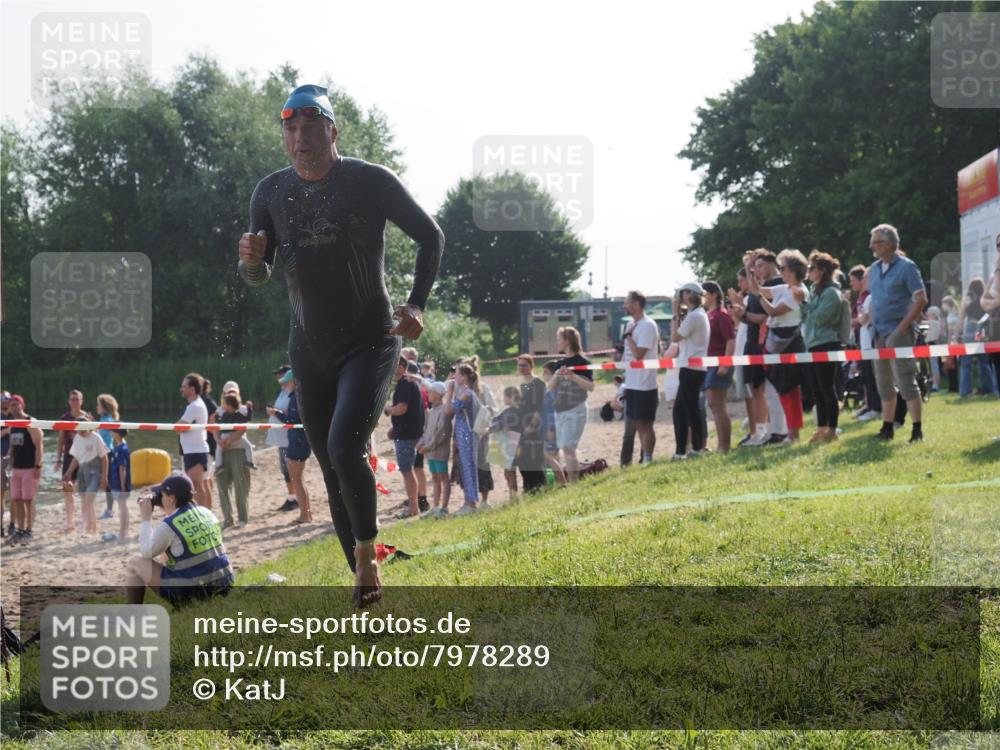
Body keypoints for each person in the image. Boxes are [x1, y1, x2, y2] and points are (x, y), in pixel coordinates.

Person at [238, 84, 443, 608]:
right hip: (308, 348)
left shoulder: (369, 181)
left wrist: (416, 305)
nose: (300, 136)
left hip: (371, 342)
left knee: (345, 448)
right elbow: (257, 278)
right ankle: (359, 569)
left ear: (333, 130)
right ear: (284, 136)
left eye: (311, 125)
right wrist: (251, 261)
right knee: (329, 467)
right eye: (290, 126)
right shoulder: (270, 192)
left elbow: (431, 236)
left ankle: (369, 556)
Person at [126, 474, 234, 606]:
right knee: (169, 553)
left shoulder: (169, 525)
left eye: (162, 495)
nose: (160, 498)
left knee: (135, 563)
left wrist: (145, 518)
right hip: (224, 584)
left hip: (195, 593)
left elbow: (146, 552)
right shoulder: (206, 512)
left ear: (172, 498)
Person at [867, 224, 928, 442]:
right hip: (879, 333)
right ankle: (887, 427)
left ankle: (916, 429)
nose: (871, 246)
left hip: (899, 332)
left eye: (876, 242)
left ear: (890, 244)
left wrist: (901, 329)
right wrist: (873, 324)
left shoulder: (907, 267)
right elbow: (874, 299)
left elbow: (921, 299)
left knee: (905, 379)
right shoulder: (873, 269)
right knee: (883, 382)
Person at [741, 251, 789, 446]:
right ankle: (768, 430)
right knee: (759, 388)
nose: (757, 270)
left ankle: (778, 431)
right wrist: (748, 267)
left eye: (760, 266)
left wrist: (743, 315)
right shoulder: (761, 287)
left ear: (772, 264)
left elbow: (768, 317)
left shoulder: (777, 285)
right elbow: (754, 289)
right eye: (755, 267)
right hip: (756, 343)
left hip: (770, 343)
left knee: (772, 389)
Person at [801, 251, 845, 443]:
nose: (808, 271)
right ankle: (821, 428)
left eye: (812, 268)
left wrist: (803, 303)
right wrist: (804, 305)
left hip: (827, 343)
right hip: (813, 343)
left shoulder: (832, 293)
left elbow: (821, 318)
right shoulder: (814, 290)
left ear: (822, 271)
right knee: (817, 390)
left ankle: (832, 430)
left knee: (828, 389)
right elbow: (807, 317)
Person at [547, 327, 594, 482]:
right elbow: (550, 387)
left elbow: (590, 387)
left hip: (576, 410)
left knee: (568, 447)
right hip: (559, 411)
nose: (557, 342)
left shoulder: (583, 362)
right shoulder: (560, 363)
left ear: (567, 340)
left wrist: (574, 378)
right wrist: (556, 374)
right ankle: (570, 482)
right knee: (564, 449)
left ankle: (574, 482)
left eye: (559, 339)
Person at [670, 282, 710, 458]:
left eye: (683, 293)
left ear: (690, 295)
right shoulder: (696, 314)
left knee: (690, 409)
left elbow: (675, 337)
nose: (680, 297)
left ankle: (696, 448)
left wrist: (674, 314)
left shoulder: (695, 316)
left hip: (692, 368)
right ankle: (683, 450)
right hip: (691, 366)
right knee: (681, 410)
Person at [621, 290, 660, 463]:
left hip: (645, 383)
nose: (625, 305)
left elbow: (639, 354)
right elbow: (628, 355)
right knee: (637, 422)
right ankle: (643, 457)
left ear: (637, 304)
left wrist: (628, 336)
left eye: (627, 302)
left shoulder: (647, 325)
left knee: (645, 423)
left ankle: (647, 458)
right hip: (631, 382)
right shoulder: (631, 324)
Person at [269, 373, 314, 525]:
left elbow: (293, 421)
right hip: (300, 440)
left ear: (293, 382)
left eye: (286, 382)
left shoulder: (296, 397)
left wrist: (276, 413)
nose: (284, 385)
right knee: (298, 480)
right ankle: (305, 514)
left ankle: (305, 515)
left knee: (297, 480)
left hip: (298, 441)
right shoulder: (299, 396)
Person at [385, 357, 425, 519]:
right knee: (412, 469)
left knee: (407, 470)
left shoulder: (404, 384)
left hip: (407, 435)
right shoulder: (409, 383)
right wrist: (395, 427)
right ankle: (415, 504)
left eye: (393, 366)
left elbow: (401, 409)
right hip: (410, 432)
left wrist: (387, 409)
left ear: (402, 367)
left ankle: (413, 507)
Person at [701, 281, 736, 453]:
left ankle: (724, 446)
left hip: (718, 363)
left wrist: (725, 363)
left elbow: (730, 340)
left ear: (714, 294)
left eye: (705, 293)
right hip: (708, 363)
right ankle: (722, 445)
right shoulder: (708, 315)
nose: (703, 297)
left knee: (717, 405)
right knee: (714, 405)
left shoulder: (721, 315)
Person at [4, 395, 42, 545]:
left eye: (16, 404)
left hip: (29, 467)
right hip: (16, 468)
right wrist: (8, 457)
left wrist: (38, 465)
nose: (14, 408)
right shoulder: (13, 424)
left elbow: (39, 446)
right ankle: (20, 530)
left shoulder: (30, 422)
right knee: (16, 499)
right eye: (11, 405)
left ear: (22, 405)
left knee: (28, 500)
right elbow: (13, 445)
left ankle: (29, 530)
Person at [64, 415, 109, 535]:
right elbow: (76, 458)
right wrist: (68, 472)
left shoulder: (96, 437)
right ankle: (91, 525)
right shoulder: (77, 438)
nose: (81, 432)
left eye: (83, 429)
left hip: (95, 470)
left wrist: (104, 476)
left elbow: (104, 458)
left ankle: (91, 526)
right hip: (83, 470)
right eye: (78, 430)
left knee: (89, 498)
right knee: (85, 499)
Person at [446, 364, 480, 515]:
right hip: (463, 433)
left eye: (458, 374)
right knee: (465, 466)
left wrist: (449, 392)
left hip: (467, 433)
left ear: (465, 377)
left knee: (468, 466)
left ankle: (471, 503)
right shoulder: (465, 392)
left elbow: (448, 410)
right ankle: (468, 500)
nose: (455, 377)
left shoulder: (467, 393)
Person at [727, 269, 756, 444]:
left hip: (747, 351)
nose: (739, 285)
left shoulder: (749, 299)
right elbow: (740, 325)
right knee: (746, 395)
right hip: (741, 350)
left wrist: (739, 305)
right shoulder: (745, 299)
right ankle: (752, 430)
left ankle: (756, 430)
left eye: (741, 280)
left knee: (752, 394)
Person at [215, 394, 252, 529]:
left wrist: (229, 440)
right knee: (222, 487)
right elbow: (213, 426)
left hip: (238, 451)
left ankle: (243, 518)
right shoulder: (219, 411)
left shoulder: (241, 411)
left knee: (241, 487)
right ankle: (227, 519)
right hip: (223, 451)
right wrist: (219, 441)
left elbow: (244, 427)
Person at [416, 381, 452, 518]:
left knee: (443, 477)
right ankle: (436, 507)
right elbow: (427, 432)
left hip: (439, 451)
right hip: (431, 452)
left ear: (437, 395)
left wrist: (427, 447)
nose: (428, 395)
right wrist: (421, 443)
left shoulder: (443, 411)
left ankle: (444, 508)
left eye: (430, 392)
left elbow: (441, 434)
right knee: (435, 477)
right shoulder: (432, 412)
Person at [177, 373, 212, 507]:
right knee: (196, 485)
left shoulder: (195, 406)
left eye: (184, 386)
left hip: (196, 451)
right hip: (191, 450)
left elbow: (178, 427)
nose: (182, 389)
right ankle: (202, 513)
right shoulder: (194, 405)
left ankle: (202, 515)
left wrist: (180, 427)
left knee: (196, 485)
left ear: (192, 389)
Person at [267, 365, 299, 512]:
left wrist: (275, 413)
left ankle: (294, 498)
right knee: (285, 471)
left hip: (288, 438)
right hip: (281, 438)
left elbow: (289, 416)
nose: (278, 377)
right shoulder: (284, 392)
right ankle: (291, 496)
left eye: (281, 375)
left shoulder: (291, 394)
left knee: (290, 470)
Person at [958, 278, 996, 398]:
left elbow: (962, 315)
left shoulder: (968, 297)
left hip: (970, 328)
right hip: (983, 329)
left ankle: (966, 392)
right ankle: (988, 390)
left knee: (966, 363)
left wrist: (958, 333)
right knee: (984, 362)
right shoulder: (985, 298)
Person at [55, 389, 86, 532]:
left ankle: (85, 519)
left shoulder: (86, 418)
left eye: (77, 399)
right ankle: (70, 521)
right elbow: (61, 440)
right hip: (68, 456)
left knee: (84, 491)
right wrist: (58, 459)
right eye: (72, 399)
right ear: (68, 401)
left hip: (84, 458)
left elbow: (93, 439)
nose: (74, 402)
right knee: (67, 488)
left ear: (81, 401)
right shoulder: (65, 418)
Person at [515, 355, 548, 492]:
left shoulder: (538, 384)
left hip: (534, 426)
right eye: (520, 365)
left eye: (524, 365)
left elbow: (539, 408)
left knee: (534, 458)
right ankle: (528, 488)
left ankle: (539, 486)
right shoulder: (522, 385)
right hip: (521, 425)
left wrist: (532, 426)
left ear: (531, 366)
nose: (522, 368)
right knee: (522, 459)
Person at [491, 386, 523, 497]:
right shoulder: (517, 410)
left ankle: (513, 495)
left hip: (511, 444)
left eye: (504, 396)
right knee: (509, 471)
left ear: (510, 397)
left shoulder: (511, 412)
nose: (503, 399)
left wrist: (490, 428)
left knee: (510, 471)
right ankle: (513, 494)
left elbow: (500, 424)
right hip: (516, 443)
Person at [539, 361, 567, 483]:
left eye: (546, 372)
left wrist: (551, 429)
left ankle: (561, 482)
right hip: (549, 428)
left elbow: (552, 412)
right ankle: (555, 482)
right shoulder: (551, 390)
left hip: (551, 429)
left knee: (551, 457)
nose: (543, 375)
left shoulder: (553, 392)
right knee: (553, 457)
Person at [981, 232, 1000, 395]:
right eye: (998, 245)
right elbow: (983, 299)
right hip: (995, 326)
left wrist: (992, 302)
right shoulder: (995, 271)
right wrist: (994, 303)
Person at [95, 394, 119, 520]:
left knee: (107, 483)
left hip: (107, 453)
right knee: (106, 482)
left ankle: (110, 510)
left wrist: (91, 425)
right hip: (105, 453)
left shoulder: (107, 420)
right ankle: (109, 509)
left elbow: (98, 434)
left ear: (104, 407)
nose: (97, 407)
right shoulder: (105, 419)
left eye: (98, 405)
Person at [108, 429, 132, 540]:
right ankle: (123, 531)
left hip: (120, 483)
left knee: (123, 507)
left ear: (117, 433)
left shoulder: (122, 449)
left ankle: (124, 532)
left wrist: (122, 486)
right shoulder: (117, 447)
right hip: (115, 481)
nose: (110, 432)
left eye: (112, 431)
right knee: (121, 507)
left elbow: (123, 468)